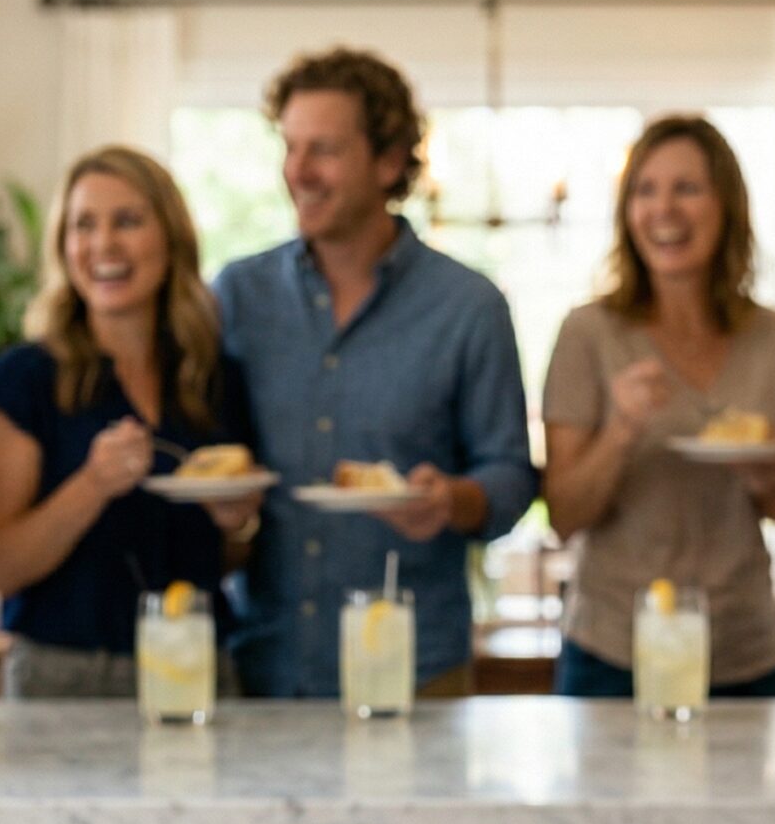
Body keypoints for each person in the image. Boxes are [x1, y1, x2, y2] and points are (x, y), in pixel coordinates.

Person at [213, 46, 536, 699]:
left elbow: (509, 478)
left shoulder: (469, 307)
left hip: (416, 672)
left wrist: (452, 499)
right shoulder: (237, 297)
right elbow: (210, 455)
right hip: (265, 670)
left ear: (389, 162)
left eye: (323, 150)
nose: (297, 171)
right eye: (290, 147)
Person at [0, 146, 258, 695]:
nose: (103, 245)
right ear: (63, 247)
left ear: (170, 238)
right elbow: (3, 567)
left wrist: (237, 523)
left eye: (127, 221)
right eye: (84, 225)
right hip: (65, 676)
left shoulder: (215, 376)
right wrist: (92, 485)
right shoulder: (23, 378)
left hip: (199, 665)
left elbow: (228, 558)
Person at [541, 115, 775, 698]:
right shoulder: (589, 332)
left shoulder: (774, 337)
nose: (664, 209)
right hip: (613, 652)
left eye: (687, 188)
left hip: (746, 650)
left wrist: (768, 480)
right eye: (645, 190)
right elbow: (563, 513)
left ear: (726, 205)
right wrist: (621, 429)